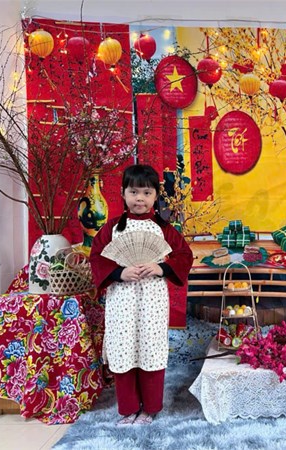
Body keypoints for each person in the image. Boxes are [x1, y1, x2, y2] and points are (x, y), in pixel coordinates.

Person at [90, 164, 193, 426]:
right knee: (123, 348)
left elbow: (184, 255)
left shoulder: (164, 229)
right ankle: (128, 409)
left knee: (150, 348)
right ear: (122, 193)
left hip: (152, 301)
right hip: (121, 300)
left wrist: (161, 268)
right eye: (133, 192)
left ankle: (150, 408)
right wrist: (119, 273)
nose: (140, 199)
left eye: (147, 193)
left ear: (156, 196)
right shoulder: (112, 228)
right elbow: (97, 257)